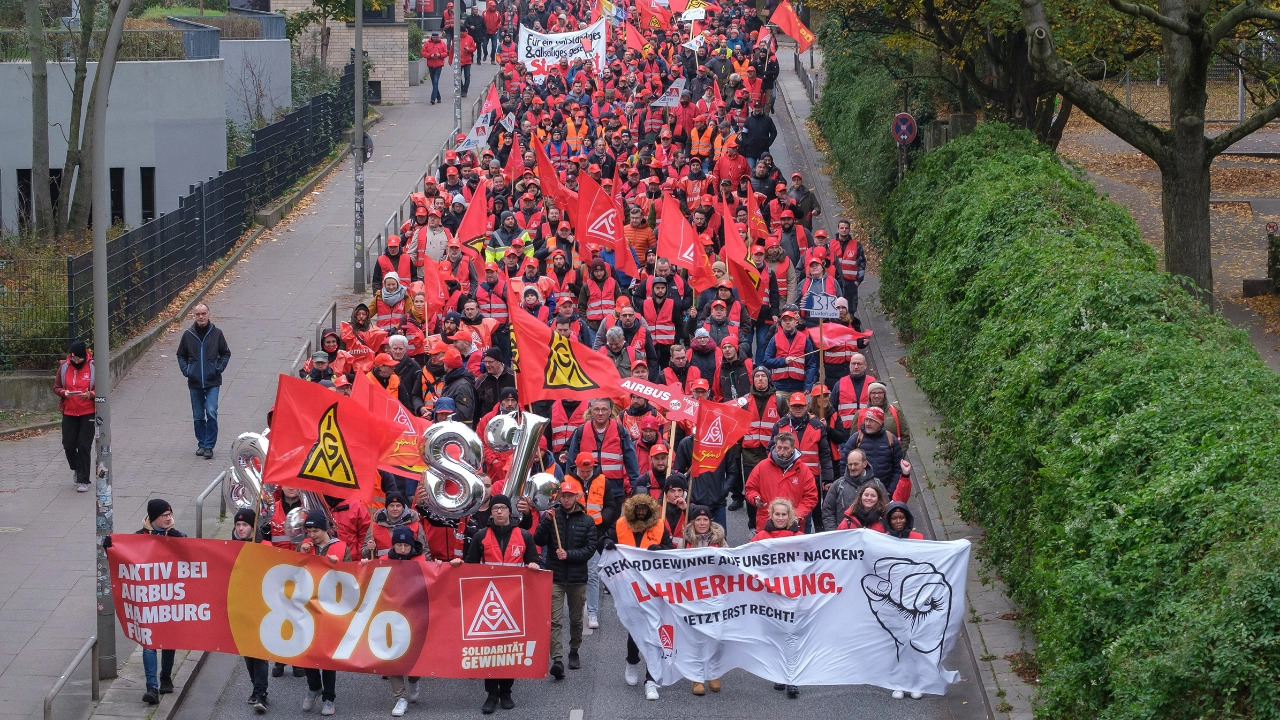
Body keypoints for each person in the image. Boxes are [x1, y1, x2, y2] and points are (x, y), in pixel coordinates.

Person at [452, 494, 540, 713]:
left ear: (510, 511)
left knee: (510, 646)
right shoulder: (481, 536)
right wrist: (457, 565)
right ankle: (491, 694)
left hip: (514, 601)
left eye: (502, 508)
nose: (499, 512)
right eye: (495, 509)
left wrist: (534, 566)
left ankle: (506, 692)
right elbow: (471, 566)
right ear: (490, 513)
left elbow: (535, 562)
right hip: (488, 601)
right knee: (489, 648)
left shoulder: (525, 536)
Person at [102, 499, 185, 704]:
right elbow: (123, 558)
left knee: (169, 640)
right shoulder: (138, 538)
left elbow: (191, 562)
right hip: (147, 599)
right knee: (149, 643)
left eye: (169, 514)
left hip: (169, 596)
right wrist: (109, 548)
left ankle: (165, 677)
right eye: (164, 515)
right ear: (153, 517)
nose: (169, 518)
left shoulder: (178, 536)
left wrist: (182, 543)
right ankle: (152, 688)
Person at [600, 493, 673, 701]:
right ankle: (632, 660)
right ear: (633, 509)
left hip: (653, 588)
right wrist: (606, 542)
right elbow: (602, 541)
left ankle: (651, 680)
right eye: (638, 508)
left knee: (655, 632)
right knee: (635, 630)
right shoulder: (621, 524)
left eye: (644, 508)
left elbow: (671, 553)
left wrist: (661, 549)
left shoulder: (659, 526)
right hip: (628, 588)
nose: (641, 512)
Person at [533, 478, 598, 681]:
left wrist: (569, 554)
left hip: (577, 579)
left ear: (577, 497)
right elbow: (538, 540)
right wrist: (545, 521)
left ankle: (574, 650)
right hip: (556, 577)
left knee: (576, 619)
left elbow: (590, 549)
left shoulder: (587, 521)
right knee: (554, 620)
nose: (567, 499)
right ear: (559, 497)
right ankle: (558, 659)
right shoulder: (552, 517)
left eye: (570, 496)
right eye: (564, 496)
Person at [748, 497, 801, 698]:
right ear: (771, 515)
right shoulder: (761, 537)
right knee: (776, 636)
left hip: (793, 593)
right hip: (769, 595)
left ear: (790, 516)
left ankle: (792, 678)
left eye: (784, 514)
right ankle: (780, 673)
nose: (780, 518)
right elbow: (745, 559)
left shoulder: (801, 538)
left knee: (792, 635)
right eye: (776, 514)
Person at [299, 510, 345, 715]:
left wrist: (339, 565)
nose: (312, 534)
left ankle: (329, 698)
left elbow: (353, 576)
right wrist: (300, 553)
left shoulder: (341, 547)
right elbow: (293, 571)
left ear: (325, 529)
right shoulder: (304, 546)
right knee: (307, 652)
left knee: (327, 655)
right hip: (307, 606)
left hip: (331, 608)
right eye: (308, 530)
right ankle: (314, 686)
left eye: (315, 530)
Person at [682, 505, 726, 696]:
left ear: (710, 522)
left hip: (715, 595)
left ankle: (714, 673)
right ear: (693, 522)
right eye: (698, 520)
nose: (702, 523)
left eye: (705, 520)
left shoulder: (720, 541)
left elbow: (730, 564)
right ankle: (697, 678)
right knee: (696, 637)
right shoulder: (685, 542)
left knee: (716, 635)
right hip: (692, 595)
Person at [175, 303, 230, 459]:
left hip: (213, 381)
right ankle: (202, 443)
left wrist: (218, 368)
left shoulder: (217, 333)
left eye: (203, 313)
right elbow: (180, 355)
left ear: (208, 314)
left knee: (211, 411)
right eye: (198, 314)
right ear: (194, 316)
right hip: (195, 382)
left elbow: (225, 353)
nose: (201, 317)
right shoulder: (188, 335)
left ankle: (209, 446)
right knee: (198, 415)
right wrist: (187, 371)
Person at [232, 508, 270, 713]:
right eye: (238, 525)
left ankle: (261, 692)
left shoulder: (265, 546)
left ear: (253, 527)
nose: (240, 528)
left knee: (259, 652)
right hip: (240, 607)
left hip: (261, 607)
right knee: (247, 653)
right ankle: (256, 688)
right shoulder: (229, 547)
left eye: (245, 525)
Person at [743, 432, 817, 535]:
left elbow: (811, 497)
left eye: (786, 448)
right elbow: (750, 488)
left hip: (793, 525)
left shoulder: (804, 470)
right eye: (779, 448)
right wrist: (755, 498)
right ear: (775, 446)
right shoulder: (762, 467)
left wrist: (797, 515)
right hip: (766, 524)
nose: (782, 452)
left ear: (793, 448)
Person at [54, 340, 95, 491]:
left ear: (85, 356)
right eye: (74, 358)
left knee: (84, 446)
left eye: (79, 358)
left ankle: (83, 480)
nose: (76, 361)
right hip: (69, 411)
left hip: (87, 411)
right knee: (68, 445)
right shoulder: (64, 367)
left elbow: (102, 389)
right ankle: (77, 468)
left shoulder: (93, 367)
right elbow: (57, 387)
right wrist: (64, 393)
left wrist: (90, 395)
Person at [838, 406, 904, 494]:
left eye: (872, 420)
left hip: (884, 492)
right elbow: (844, 464)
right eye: (866, 420)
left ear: (880, 422)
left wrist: (890, 492)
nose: (867, 424)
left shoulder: (891, 439)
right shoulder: (856, 438)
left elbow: (898, 469)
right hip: (859, 493)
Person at [422, 31, 448, 105]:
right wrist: (430, 55)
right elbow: (423, 52)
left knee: (435, 81)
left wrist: (439, 55)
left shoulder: (442, 43)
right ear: (431, 37)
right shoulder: (427, 43)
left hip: (438, 65)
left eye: (436, 37)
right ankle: (439, 97)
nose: (435, 38)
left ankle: (433, 98)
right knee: (434, 82)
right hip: (430, 65)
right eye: (434, 37)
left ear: (438, 37)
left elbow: (445, 53)